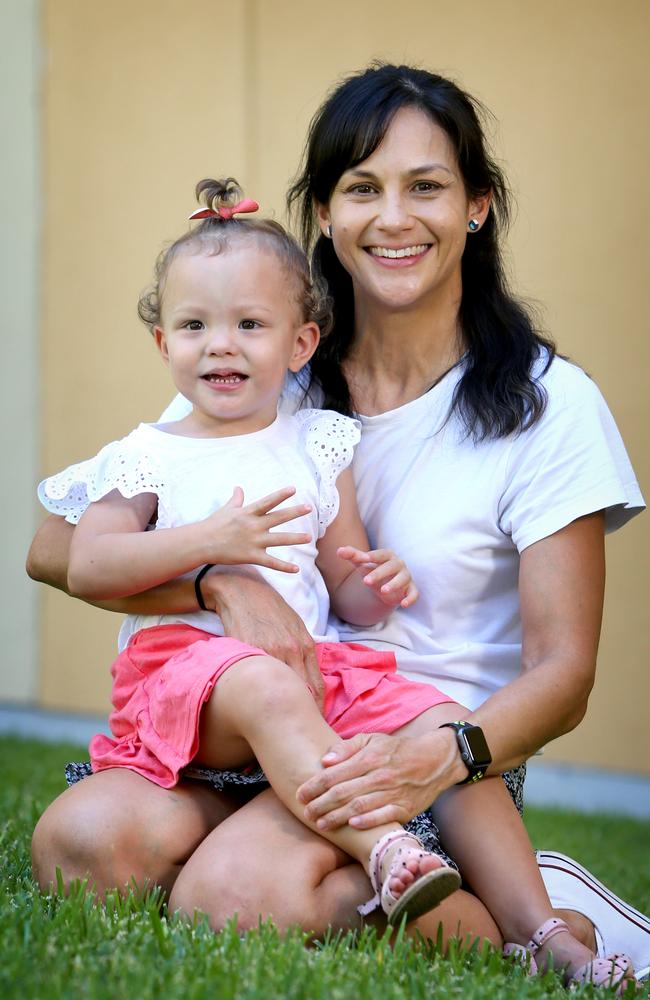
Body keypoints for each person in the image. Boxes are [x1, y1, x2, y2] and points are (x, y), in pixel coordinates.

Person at [27, 64, 649, 983]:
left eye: (426, 186)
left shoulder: (548, 405)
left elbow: (566, 676)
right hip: (262, 722)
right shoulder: (269, 367)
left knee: (232, 902)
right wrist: (219, 580)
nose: (393, 218)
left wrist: (432, 759)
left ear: (477, 206)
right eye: (363, 188)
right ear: (324, 212)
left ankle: (523, 916)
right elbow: (55, 550)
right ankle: (297, 849)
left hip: (437, 743)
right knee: (80, 845)